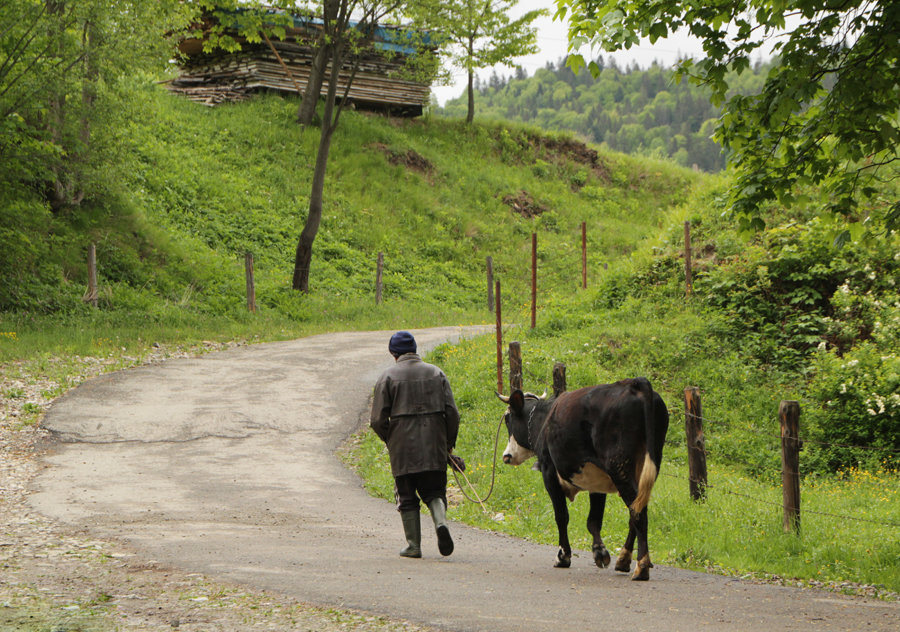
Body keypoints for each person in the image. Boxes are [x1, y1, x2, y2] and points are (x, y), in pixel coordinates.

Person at [370, 331, 459, 558]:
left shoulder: (387, 377)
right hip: (434, 445)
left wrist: (390, 438)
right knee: (434, 491)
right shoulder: (437, 373)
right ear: (416, 349)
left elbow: (377, 420)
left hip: (402, 447)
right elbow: (452, 413)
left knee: (407, 496)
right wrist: (447, 444)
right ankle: (441, 524)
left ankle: (413, 545)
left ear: (393, 353)